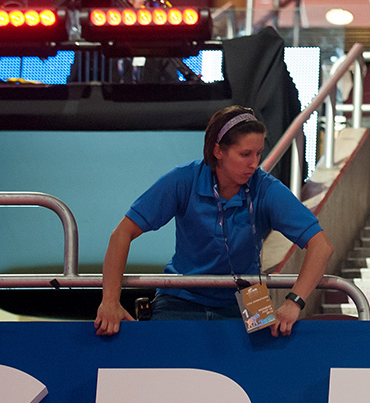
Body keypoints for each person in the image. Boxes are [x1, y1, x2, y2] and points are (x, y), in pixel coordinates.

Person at [94, 105, 334, 336]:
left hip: (250, 299)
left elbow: (321, 246)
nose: (254, 163)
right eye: (245, 154)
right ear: (218, 151)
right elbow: (122, 234)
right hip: (181, 300)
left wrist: (294, 302)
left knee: (257, 372)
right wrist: (110, 301)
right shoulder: (183, 180)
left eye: (259, 153)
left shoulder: (266, 188)